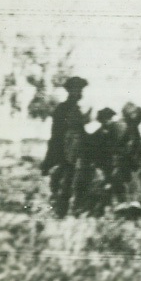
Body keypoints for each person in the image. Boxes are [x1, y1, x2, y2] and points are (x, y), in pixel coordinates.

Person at [41, 76, 90, 217]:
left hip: (76, 155)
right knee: (63, 184)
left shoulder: (76, 110)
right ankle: (59, 213)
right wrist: (50, 159)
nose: (79, 93)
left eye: (81, 90)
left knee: (74, 184)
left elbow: (82, 134)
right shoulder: (62, 109)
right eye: (77, 90)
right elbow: (56, 135)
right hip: (65, 154)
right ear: (70, 91)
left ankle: (68, 212)